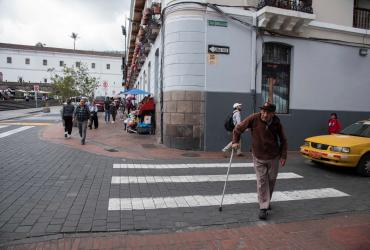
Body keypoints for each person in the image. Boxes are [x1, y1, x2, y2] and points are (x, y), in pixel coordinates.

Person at [232, 102, 287, 220]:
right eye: (263, 111)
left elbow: (283, 140)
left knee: (271, 180)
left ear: (273, 113)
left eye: (268, 112)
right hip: (258, 156)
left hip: (273, 156)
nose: (264, 114)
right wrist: (235, 141)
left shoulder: (277, 123)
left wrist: (283, 156)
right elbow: (238, 128)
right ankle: (263, 207)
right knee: (262, 181)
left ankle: (266, 199)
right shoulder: (254, 118)